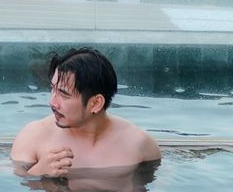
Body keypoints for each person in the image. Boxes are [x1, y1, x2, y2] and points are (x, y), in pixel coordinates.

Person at [12, 47, 161, 178]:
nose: (52, 102)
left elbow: (158, 187)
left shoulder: (138, 145)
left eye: (63, 94)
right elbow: (11, 187)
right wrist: (37, 172)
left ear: (95, 103)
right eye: (52, 88)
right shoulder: (33, 137)